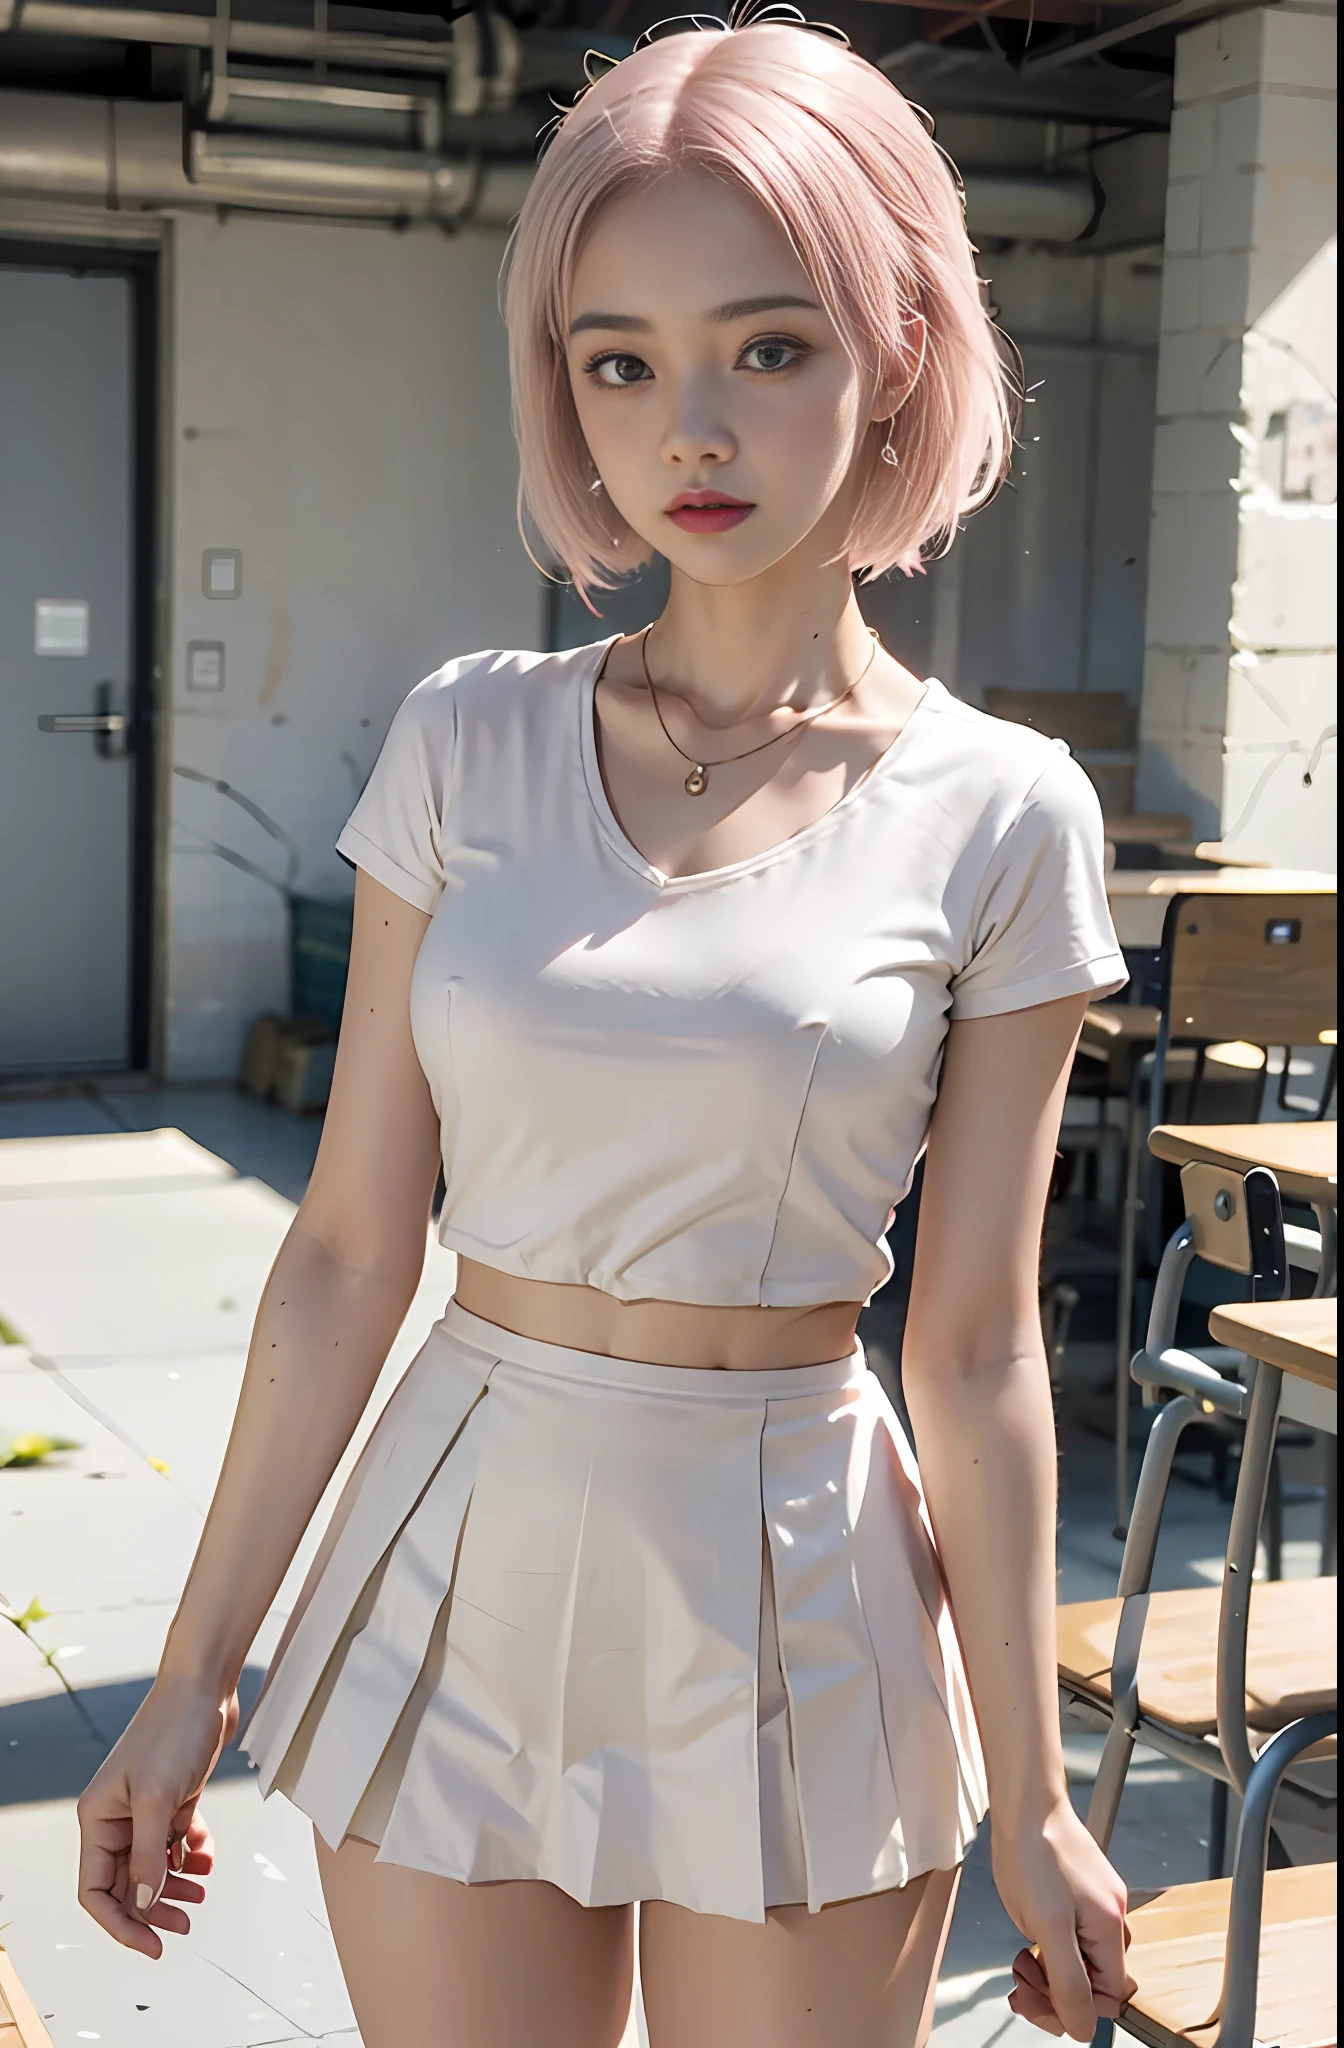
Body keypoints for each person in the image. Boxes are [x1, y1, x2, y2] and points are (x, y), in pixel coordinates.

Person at [77, 15, 1135, 2044]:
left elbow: (983, 1342)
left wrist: (1042, 1797)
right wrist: (193, 1671)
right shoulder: (466, 739)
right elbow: (347, 1250)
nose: (690, 431)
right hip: (458, 1532)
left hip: (799, 1571)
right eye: (618, 359)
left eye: (770, 343)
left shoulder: (1001, 806)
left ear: (897, 348)